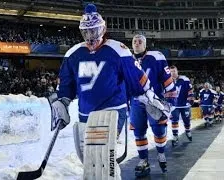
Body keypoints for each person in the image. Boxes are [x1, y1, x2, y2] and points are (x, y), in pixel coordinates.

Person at [47, 3, 170, 175]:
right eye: (86, 31)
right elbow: (67, 84)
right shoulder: (73, 54)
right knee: (91, 160)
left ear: (103, 29)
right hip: (86, 113)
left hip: (113, 110)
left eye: (94, 31)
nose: (90, 36)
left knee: (103, 156)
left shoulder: (118, 50)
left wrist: (149, 96)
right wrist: (62, 100)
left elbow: (136, 77)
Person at [130, 34, 177, 177]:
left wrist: (171, 103)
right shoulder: (127, 60)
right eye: (134, 42)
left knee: (158, 131)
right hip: (136, 102)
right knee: (138, 132)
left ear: (145, 45)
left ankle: (161, 154)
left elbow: (167, 81)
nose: (137, 44)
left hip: (155, 101)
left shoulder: (156, 57)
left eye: (140, 42)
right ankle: (143, 160)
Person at [169, 65, 194, 147]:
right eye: (171, 71)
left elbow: (190, 90)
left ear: (177, 71)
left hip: (184, 105)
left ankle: (187, 131)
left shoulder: (185, 79)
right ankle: (175, 136)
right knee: (174, 121)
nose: (173, 73)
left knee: (186, 120)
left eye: (174, 71)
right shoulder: (167, 81)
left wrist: (190, 99)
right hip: (174, 105)